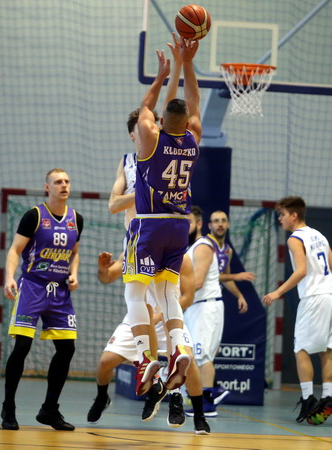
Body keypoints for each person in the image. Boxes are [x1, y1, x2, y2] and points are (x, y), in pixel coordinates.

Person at [123, 34, 202, 402]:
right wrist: (187, 63)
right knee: (168, 293)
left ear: (159, 122)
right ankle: (180, 348)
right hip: (179, 226)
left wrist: (161, 75)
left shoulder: (149, 139)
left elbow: (145, 109)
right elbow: (193, 103)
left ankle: (144, 358)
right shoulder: (193, 138)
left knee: (134, 292)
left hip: (150, 223)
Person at [88, 251, 210, 435]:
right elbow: (108, 277)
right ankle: (102, 397)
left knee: (189, 360)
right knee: (105, 362)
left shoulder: (181, 257)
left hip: (169, 317)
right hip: (138, 318)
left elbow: (188, 297)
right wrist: (103, 270)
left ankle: (198, 415)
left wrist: (161, 315)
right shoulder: (133, 251)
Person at [0, 168, 83, 432]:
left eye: (67, 181)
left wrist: (74, 273)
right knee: (22, 346)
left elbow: (75, 252)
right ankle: (8, 407)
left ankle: (49, 409)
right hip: (32, 287)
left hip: (59, 292)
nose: (64, 185)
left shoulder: (76, 219)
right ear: (47, 187)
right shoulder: (34, 216)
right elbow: (15, 250)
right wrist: (9, 277)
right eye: (58, 182)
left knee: (67, 349)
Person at [263, 196, 332, 425]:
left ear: (294, 215)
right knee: (327, 350)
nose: (280, 219)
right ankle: (327, 398)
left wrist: (277, 292)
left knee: (301, 349)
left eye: (282, 214)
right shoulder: (319, 235)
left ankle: (308, 399)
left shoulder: (294, 238)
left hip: (316, 299)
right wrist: (326, 287)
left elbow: (301, 271)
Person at [184, 206, 248, 417]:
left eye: (189, 222)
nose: (184, 226)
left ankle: (207, 403)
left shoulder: (203, 246)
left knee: (202, 357)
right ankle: (213, 392)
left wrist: (175, 299)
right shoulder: (196, 247)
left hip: (205, 305)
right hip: (198, 305)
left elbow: (198, 282)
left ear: (200, 224)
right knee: (196, 355)